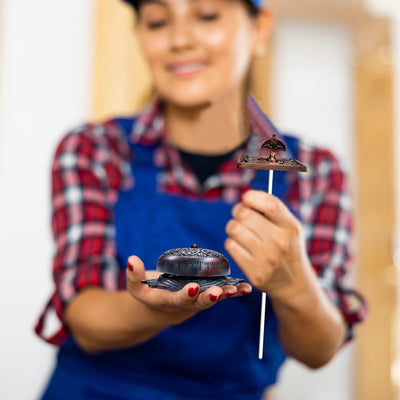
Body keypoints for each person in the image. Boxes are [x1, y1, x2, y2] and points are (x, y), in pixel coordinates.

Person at [35, 0, 367, 399]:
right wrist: (155, 307)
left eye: (207, 15)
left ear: (259, 27)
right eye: (158, 22)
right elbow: (84, 318)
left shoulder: (315, 172)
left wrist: (293, 283)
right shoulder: (95, 151)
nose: (179, 39)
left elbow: (319, 350)